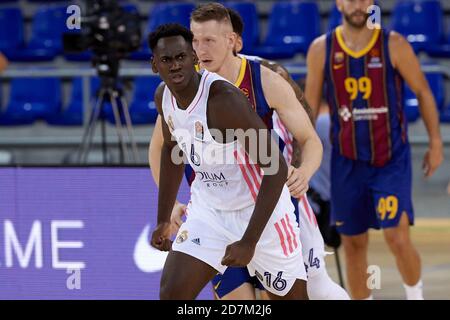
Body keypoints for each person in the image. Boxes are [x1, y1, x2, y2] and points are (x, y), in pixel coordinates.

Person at [150, 3, 349, 300]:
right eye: (195, 40)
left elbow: (307, 140)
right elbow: (164, 149)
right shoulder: (174, 90)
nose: (200, 49)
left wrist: (304, 172)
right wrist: (168, 212)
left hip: (268, 201)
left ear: (232, 41)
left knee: (315, 288)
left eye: (208, 41)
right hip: (211, 207)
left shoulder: (262, 79)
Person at [305, 0, 444, 299]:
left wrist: (435, 142)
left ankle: (415, 295)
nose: (358, 5)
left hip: (389, 159)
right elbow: (309, 109)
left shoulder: (393, 44)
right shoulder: (321, 49)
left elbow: (423, 91)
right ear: (339, 3)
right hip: (346, 163)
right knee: (353, 243)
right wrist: (301, 153)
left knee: (397, 236)